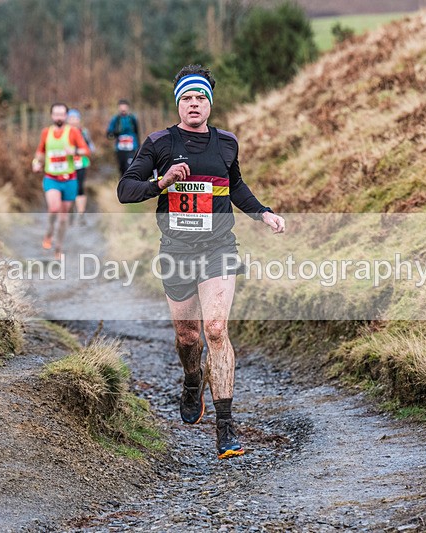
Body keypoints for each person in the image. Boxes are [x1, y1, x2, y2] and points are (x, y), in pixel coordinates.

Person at [117, 65, 285, 459]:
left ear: (210, 103)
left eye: (201, 98)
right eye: (187, 98)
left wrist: (263, 213)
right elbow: (125, 190)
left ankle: (225, 429)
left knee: (214, 329)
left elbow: (236, 185)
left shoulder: (226, 143)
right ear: (179, 103)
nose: (194, 104)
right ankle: (192, 378)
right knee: (189, 336)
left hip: (218, 247)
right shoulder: (158, 142)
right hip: (176, 250)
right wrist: (162, 181)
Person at [32, 103, 90, 258]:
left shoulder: (73, 132)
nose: (58, 117)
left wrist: (74, 151)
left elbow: (86, 151)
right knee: (53, 208)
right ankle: (49, 232)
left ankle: (58, 248)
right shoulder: (46, 132)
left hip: (70, 179)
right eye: (56, 114)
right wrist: (36, 162)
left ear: (66, 116)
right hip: (51, 178)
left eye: (61, 114)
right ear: (52, 116)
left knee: (64, 217)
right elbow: (40, 151)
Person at [67, 108, 95, 225]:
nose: (73, 121)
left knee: (79, 187)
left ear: (79, 120)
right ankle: (69, 213)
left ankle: (81, 214)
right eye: (71, 118)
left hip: (81, 163)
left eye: (76, 118)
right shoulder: (64, 133)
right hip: (66, 164)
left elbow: (91, 148)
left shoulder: (83, 132)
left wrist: (77, 151)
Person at [106, 99, 140, 178]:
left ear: (128, 108)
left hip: (131, 148)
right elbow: (109, 134)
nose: (123, 109)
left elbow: (137, 132)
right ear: (119, 108)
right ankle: (122, 186)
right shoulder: (115, 119)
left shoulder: (132, 118)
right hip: (120, 149)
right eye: (121, 107)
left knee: (129, 168)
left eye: (124, 107)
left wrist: (138, 146)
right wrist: (114, 133)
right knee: (122, 170)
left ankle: (130, 186)